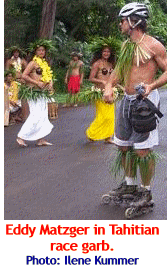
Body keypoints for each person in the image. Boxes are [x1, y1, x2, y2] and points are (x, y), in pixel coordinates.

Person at [103, 2, 167, 205]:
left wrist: (151, 85)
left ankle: (146, 192)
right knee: (123, 146)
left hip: (144, 102)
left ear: (133, 21)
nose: (120, 24)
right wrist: (108, 86)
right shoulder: (126, 46)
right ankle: (130, 184)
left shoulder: (153, 45)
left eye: (123, 21)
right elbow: (119, 71)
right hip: (125, 100)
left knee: (142, 150)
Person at [16, 42, 54, 147]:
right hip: (34, 92)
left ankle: (41, 139)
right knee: (35, 115)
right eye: (39, 50)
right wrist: (37, 83)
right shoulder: (33, 63)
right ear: (35, 52)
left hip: (43, 93)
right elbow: (24, 75)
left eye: (43, 50)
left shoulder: (45, 63)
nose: (41, 52)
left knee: (43, 116)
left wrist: (50, 84)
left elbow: (48, 76)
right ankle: (21, 137)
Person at [86, 46, 115, 143]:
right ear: (101, 53)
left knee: (111, 116)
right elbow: (91, 78)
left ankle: (108, 137)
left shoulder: (111, 64)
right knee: (103, 115)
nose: (106, 53)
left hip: (110, 92)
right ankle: (91, 133)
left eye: (108, 51)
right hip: (100, 92)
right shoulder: (97, 64)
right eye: (104, 51)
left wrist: (119, 86)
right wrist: (101, 81)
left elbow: (113, 78)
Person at [5, 46, 29, 121]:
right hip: (13, 81)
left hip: (21, 81)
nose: (16, 53)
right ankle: (12, 116)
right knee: (14, 96)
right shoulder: (9, 61)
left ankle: (21, 115)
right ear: (12, 53)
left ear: (19, 53)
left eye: (17, 52)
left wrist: (23, 77)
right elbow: (7, 72)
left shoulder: (22, 61)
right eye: (14, 52)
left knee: (22, 98)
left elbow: (27, 69)